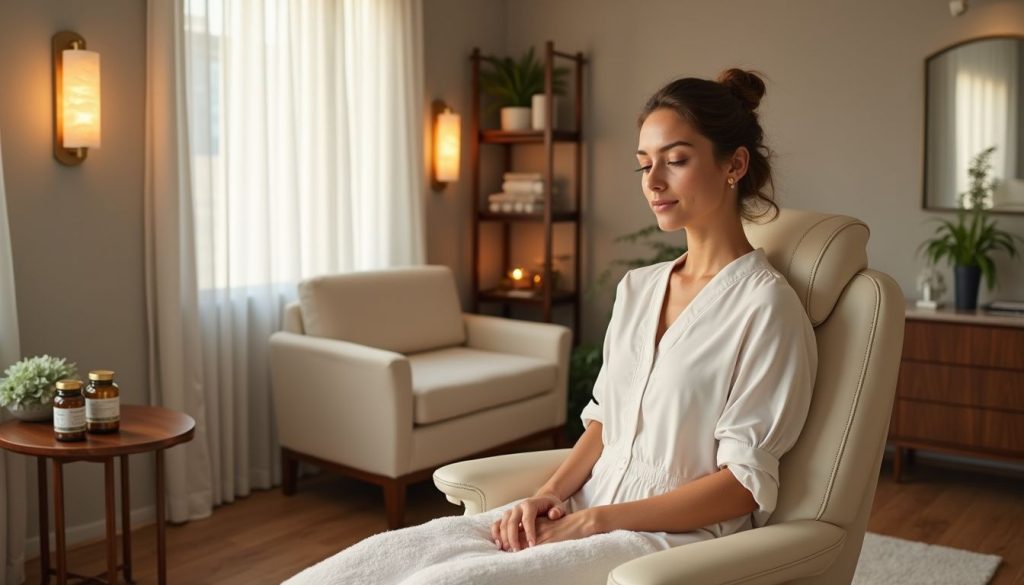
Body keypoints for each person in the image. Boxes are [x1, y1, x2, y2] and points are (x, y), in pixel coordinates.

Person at [284, 68, 817, 585]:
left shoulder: (765, 308)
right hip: (588, 508)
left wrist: (596, 522)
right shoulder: (640, 289)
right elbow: (605, 424)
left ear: (735, 164)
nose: (652, 182)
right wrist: (550, 495)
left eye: (675, 161)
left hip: (671, 542)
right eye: (643, 164)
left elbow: (742, 487)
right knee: (385, 556)